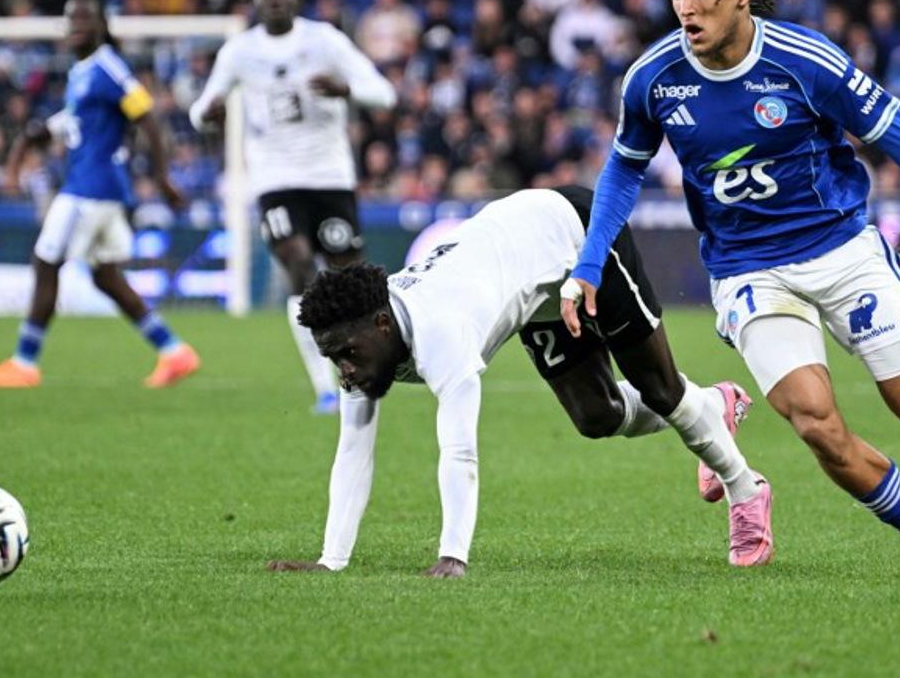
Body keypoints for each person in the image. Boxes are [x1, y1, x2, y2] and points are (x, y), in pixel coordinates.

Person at [562, 0, 900, 582]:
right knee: (816, 424)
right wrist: (587, 264)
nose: (687, 9)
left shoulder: (805, 61)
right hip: (747, 270)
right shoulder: (654, 79)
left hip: (842, 251)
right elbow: (623, 167)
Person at [267, 186, 773, 578]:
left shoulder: (440, 332)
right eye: (334, 359)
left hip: (576, 233)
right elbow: (354, 453)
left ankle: (744, 487)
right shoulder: (363, 338)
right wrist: (331, 561)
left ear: (381, 326)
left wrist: (452, 557)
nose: (344, 373)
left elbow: (459, 450)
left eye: (347, 356)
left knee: (662, 391)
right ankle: (714, 404)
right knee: (597, 417)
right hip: (530, 280)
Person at [189, 0, 398, 414]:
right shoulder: (240, 51)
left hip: (330, 178)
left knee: (346, 277)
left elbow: (383, 93)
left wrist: (347, 91)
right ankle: (324, 387)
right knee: (300, 267)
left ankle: (368, 368)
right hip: (274, 179)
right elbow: (201, 108)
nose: (277, 0)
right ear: (258, 1)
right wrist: (208, 113)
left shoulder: (324, 41)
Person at [0, 0, 200, 389]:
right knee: (105, 277)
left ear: (100, 26)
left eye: (85, 18)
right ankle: (174, 351)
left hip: (88, 189)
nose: (77, 24)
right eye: (71, 19)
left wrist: (163, 178)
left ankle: (25, 363)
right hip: (103, 189)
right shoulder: (82, 72)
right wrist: (34, 138)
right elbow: (80, 121)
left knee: (46, 262)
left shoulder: (108, 67)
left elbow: (145, 115)